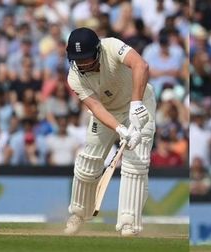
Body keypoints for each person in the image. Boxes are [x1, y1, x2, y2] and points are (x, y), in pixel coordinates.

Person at [63, 27, 156, 236]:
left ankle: (128, 222)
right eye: (79, 60)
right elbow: (95, 107)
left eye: (87, 58)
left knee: (136, 163)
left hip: (140, 102)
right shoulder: (74, 78)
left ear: (97, 50)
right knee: (88, 162)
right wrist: (120, 129)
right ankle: (78, 214)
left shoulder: (112, 46)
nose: (84, 64)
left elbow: (141, 65)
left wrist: (136, 104)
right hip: (107, 111)